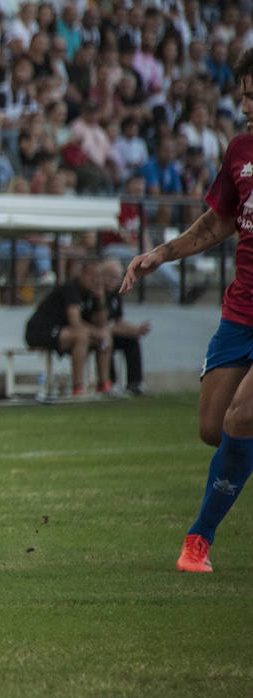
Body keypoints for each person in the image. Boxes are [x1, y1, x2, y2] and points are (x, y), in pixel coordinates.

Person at [120, 48, 253, 573]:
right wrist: (158, 253)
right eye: (242, 95)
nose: (246, 105)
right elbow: (215, 224)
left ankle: (198, 540)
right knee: (213, 427)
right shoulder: (240, 149)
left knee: (243, 416)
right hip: (240, 310)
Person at [25, 259, 111, 396]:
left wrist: (100, 300)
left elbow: (101, 323)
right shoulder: (71, 288)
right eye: (91, 275)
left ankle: (104, 384)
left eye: (98, 276)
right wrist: (99, 333)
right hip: (41, 331)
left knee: (105, 337)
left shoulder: (92, 295)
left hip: (63, 333)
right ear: (81, 274)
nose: (95, 280)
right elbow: (75, 322)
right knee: (81, 336)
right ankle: (77, 387)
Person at [98, 260, 148, 397]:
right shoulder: (96, 294)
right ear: (101, 276)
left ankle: (135, 382)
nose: (113, 281)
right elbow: (103, 326)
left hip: (111, 332)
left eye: (116, 277)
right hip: (97, 335)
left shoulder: (115, 294)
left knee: (132, 339)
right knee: (106, 341)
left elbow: (119, 321)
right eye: (109, 276)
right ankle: (110, 382)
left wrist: (136, 329)